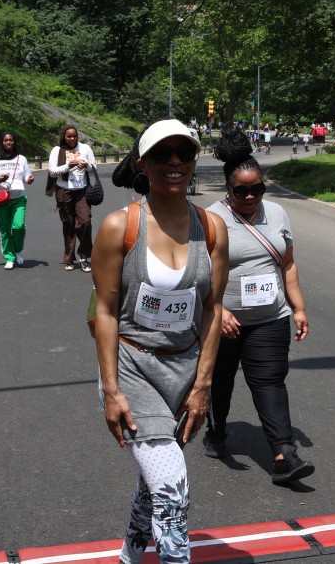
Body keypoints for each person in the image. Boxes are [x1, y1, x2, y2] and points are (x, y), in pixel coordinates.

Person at [92, 119, 228, 564]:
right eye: (162, 154)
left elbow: (212, 310)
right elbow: (105, 312)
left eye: (184, 154)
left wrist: (203, 385)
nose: (175, 162)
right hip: (133, 368)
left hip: (185, 373)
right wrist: (111, 389)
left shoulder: (212, 228)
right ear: (142, 163)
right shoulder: (120, 226)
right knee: (171, 488)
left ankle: (129, 556)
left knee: (153, 486)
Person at [203, 128, 313, 485]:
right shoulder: (210, 219)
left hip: (270, 318)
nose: (250, 196)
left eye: (257, 189)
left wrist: (298, 308)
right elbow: (198, 273)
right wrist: (219, 310)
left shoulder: (277, 214)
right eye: (241, 191)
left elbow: (288, 264)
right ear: (228, 189)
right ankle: (216, 430)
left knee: (270, 382)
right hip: (224, 321)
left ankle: (284, 454)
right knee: (220, 381)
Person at [48, 125, 97, 272]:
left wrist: (87, 165)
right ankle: (69, 258)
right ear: (64, 137)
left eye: (74, 136)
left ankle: (84, 256)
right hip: (64, 191)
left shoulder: (85, 148)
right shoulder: (57, 150)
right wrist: (68, 166)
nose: (72, 139)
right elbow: (52, 172)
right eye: (69, 136)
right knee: (68, 224)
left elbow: (94, 168)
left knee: (85, 222)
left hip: (82, 190)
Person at [0, 131, 35, 270]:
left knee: (19, 226)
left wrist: (29, 179)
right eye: (6, 140)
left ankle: (17, 250)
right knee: (5, 229)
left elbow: (27, 176)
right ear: (2, 142)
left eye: (11, 140)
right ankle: (9, 257)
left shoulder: (21, 159)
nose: (8, 142)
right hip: (2, 198)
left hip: (18, 197)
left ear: (14, 142)